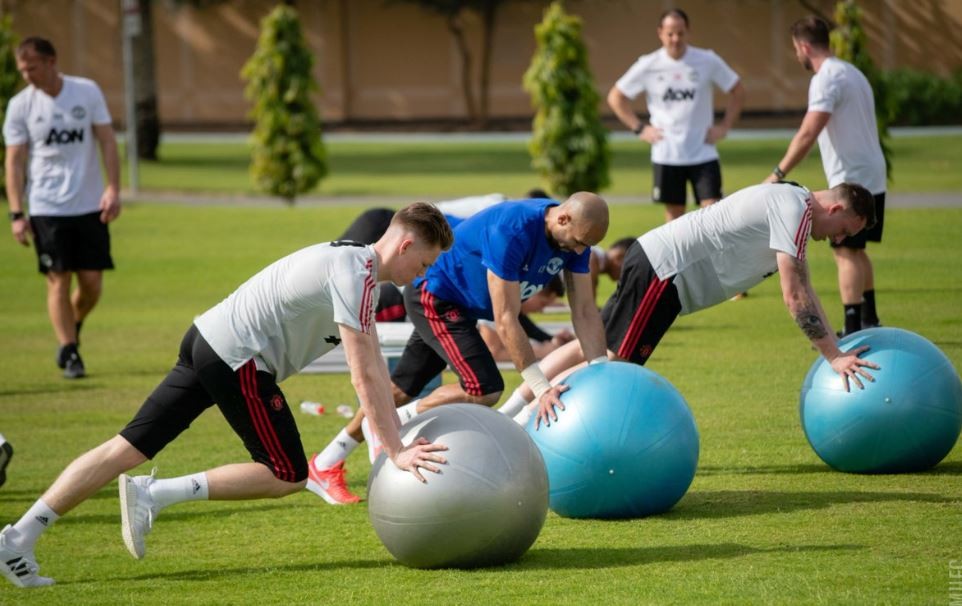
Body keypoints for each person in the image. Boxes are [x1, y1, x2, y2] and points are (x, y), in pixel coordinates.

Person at [0, 203, 453, 589]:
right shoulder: (357, 273)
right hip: (238, 358)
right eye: (425, 263)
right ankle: (154, 493)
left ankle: (18, 538)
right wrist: (396, 451)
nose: (423, 274)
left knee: (125, 447)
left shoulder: (356, 265)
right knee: (288, 474)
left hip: (206, 339)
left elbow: (373, 367)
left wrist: (394, 441)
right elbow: (364, 375)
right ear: (405, 245)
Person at [309, 192, 611, 504]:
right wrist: (541, 387)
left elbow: (585, 310)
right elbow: (506, 318)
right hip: (435, 296)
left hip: (460, 306)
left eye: (586, 245)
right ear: (563, 218)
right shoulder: (513, 229)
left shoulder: (577, 240)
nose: (580, 251)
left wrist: (603, 371)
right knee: (484, 388)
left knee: (399, 390)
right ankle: (391, 422)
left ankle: (326, 462)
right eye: (578, 242)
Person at [498, 182, 881, 428]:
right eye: (844, 231)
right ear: (836, 209)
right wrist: (834, 357)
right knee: (613, 363)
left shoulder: (791, 199)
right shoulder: (795, 209)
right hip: (667, 273)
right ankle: (529, 420)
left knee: (591, 345)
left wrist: (834, 346)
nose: (837, 240)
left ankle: (511, 410)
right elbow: (794, 295)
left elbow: (804, 287)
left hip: (656, 260)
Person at [3, 37, 121, 379]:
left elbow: (107, 140)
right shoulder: (21, 106)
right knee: (58, 280)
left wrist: (113, 188)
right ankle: (69, 351)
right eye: (22, 70)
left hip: (89, 204)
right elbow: (14, 162)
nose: (27, 75)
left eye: (32, 68)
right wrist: (16, 213)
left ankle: (73, 324)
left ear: (52, 61)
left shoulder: (86, 91)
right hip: (46, 206)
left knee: (92, 284)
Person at [765, 16, 887, 337]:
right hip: (872, 172)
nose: (797, 55)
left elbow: (809, 132)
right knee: (857, 251)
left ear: (804, 46)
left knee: (845, 252)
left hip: (852, 177)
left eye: (796, 49)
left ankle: (852, 327)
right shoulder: (852, 72)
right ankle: (870, 319)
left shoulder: (825, 79)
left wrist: (778, 173)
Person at [607, 8, 744, 223]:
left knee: (713, 215)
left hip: (703, 152)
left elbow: (738, 90)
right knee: (674, 218)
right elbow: (616, 97)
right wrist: (639, 128)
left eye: (680, 33)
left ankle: (708, 248)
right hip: (667, 153)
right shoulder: (648, 64)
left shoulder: (707, 60)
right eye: (670, 33)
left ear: (688, 32)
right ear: (660, 33)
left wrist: (724, 126)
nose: (675, 39)